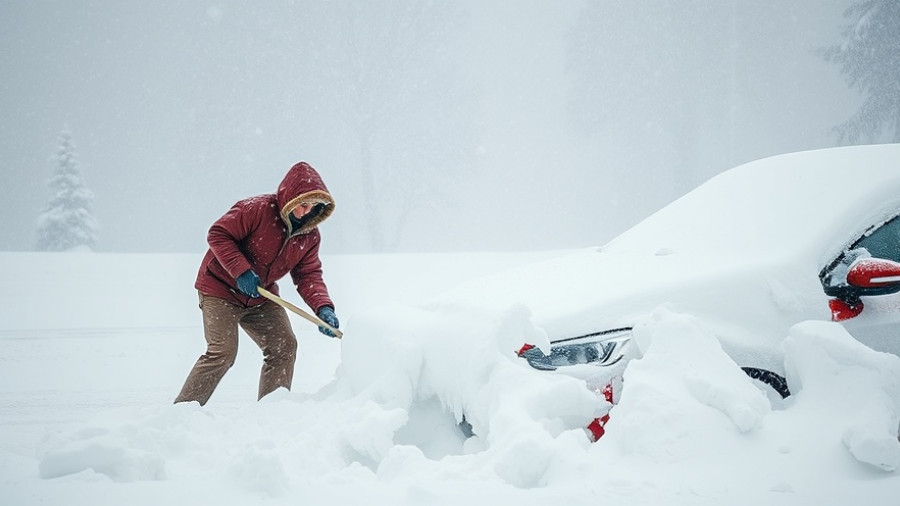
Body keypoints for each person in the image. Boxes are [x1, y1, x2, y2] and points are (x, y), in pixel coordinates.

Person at [175, 161, 340, 406]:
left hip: (261, 297)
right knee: (223, 352)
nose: (307, 212)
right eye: (303, 205)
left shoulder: (309, 236)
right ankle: (182, 412)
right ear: (290, 198)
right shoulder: (256, 209)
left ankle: (272, 412)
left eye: (313, 207)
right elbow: (218, 234)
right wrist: (240, 271)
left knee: (284, 346)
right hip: (219, 290)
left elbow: (308, 275)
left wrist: (323, 308)